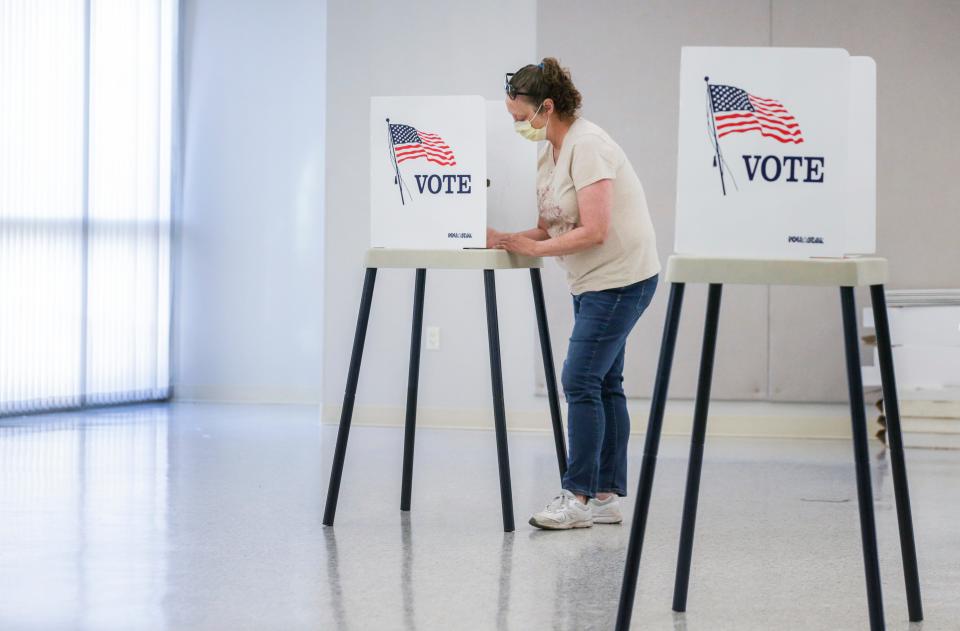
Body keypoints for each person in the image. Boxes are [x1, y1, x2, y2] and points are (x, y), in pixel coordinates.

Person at [490, 57, 661, 530]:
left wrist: (531, 247)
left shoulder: (589, 146)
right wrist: (505, 238)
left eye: (520, 117)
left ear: (546, 106)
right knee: (604, 383)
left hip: (622, 277)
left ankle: (578, 497)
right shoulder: (550, 147)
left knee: (579, 380)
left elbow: (597, 230)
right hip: (591, 279)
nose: (517, 126)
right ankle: (605, 497)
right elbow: (549, 227)